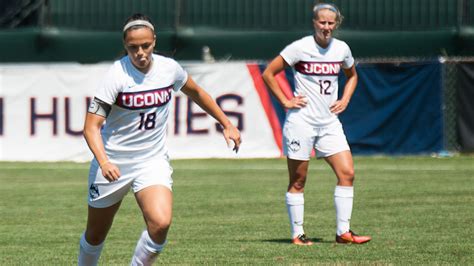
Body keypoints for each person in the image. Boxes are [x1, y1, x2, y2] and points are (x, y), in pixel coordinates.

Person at [77, 13, 241, 265]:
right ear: (125, 46)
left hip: (151, 161)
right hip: (113, 163)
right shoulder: (116, 75)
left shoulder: (169, 68)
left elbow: (196, 92)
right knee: (96, 235)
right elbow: (91, 127)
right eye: (133, 47)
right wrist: (104, 161)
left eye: (146, 45)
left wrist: (226, 122)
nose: (140, 52)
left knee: (160, 223)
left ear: (154, 40)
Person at [262, 3, 370, 246]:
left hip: (330, 122)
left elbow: (352, 75)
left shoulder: (341, 48)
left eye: (331, 23)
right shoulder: (300, 48)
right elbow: (269, 73)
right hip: (302, 122)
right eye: (322, 22)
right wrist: (285, 101)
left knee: (347, 174)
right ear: (314, 23)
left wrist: (345, 99)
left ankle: (344, 233)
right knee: (298, 180)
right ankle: (298, 234)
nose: (327, 27)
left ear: (336, 24)